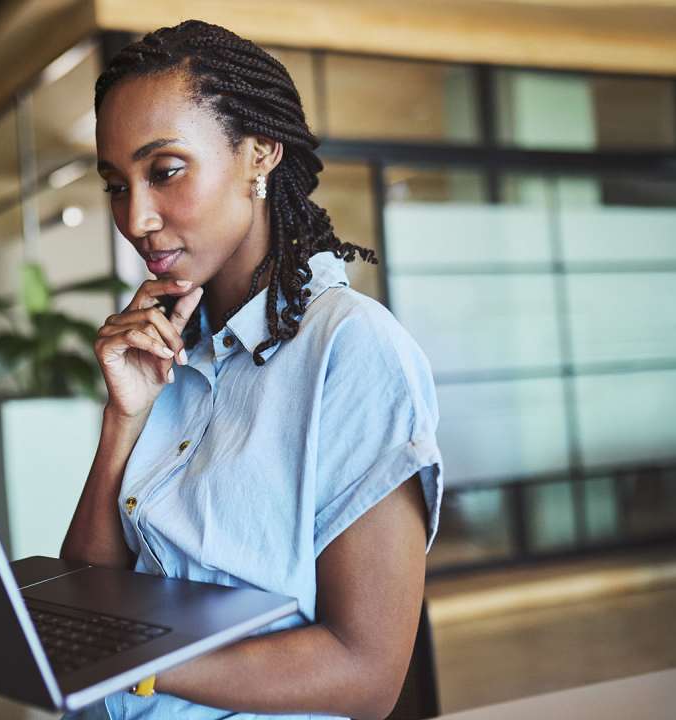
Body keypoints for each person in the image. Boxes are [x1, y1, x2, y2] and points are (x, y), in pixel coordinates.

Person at [60, 21, 443, 720]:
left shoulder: (352, 350)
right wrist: (124, 419)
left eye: (165, 171)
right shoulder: (166, 344)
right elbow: (89, 588)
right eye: (117, 185)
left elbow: (366, 673)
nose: (136, 217)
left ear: (259, 153)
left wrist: (142, 667)